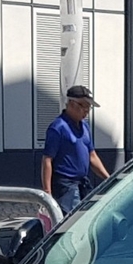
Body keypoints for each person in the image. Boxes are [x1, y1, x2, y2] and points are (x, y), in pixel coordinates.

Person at [40, 84, 110, 214]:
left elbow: (92, 156)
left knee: (89, 215)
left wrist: (108, 178)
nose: (87, 111)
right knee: (72, 220)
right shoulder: (58, 127)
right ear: (72, 104)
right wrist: (47, 193)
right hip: (65, 185)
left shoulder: (85, 127)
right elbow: (47, 160)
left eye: (89, 107)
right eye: (84, 106)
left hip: (83, 182)